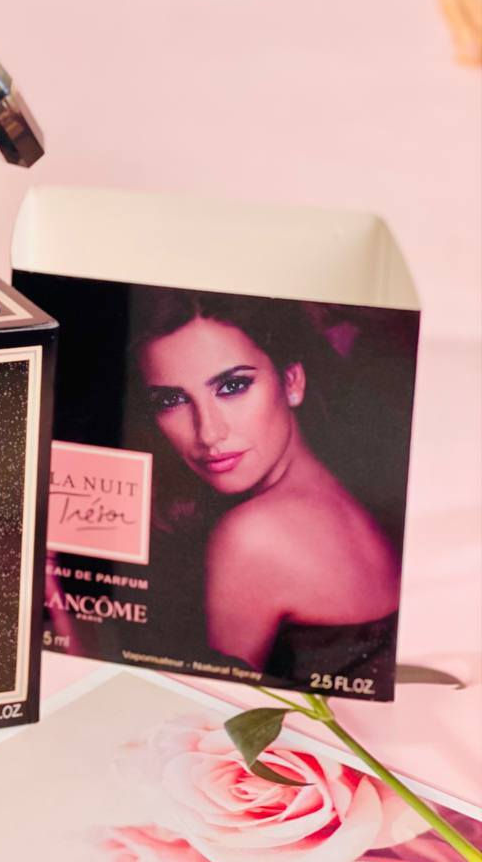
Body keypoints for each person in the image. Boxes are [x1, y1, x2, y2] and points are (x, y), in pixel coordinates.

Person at [133, 290, 401, 685]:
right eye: (171, 400)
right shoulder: (344, 499)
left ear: (292, 381)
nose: (209, 432)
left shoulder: (252, 535)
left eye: (232, 386)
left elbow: (212, 706)